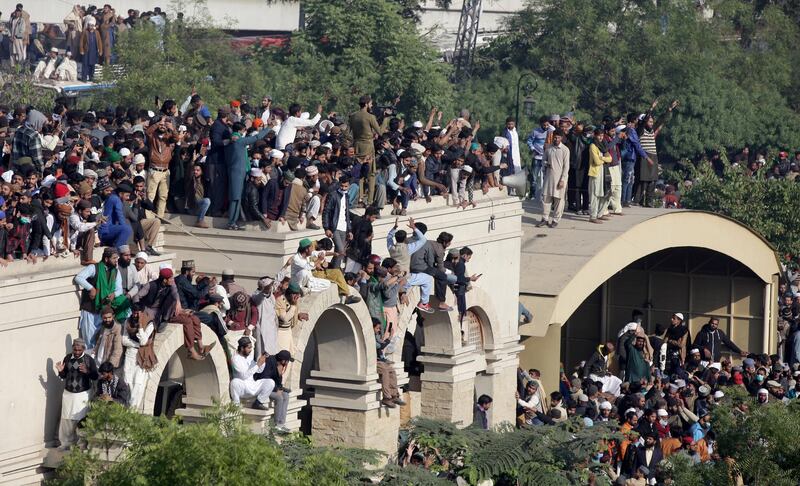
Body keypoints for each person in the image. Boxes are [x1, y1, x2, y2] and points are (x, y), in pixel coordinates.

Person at [74, 247, 127, 349]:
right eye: (114, 258)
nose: (117, 260)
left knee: (102, 341)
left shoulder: (116, 272)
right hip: (90, 310)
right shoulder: (94, 268)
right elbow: (79, 277)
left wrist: (114, 294)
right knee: (89, 340)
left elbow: (119, 289)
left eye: (117, 258)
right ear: (106, 259)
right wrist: (91, 288)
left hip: (104, 310)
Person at [224, 121, 270, 230]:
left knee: (237, 198)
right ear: (241, 131)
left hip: (237, 172)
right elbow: (258, 137)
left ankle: (233, 222)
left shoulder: (231, 141)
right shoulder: (238, 141)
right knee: (235, 198)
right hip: (237, 173)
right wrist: (269, 127)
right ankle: (231, 223)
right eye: (244, 130)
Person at [56, 338, 98, 449]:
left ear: (84, 349)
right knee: (66, 419)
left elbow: (95, 376)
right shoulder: (68, 358)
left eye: (79, 350)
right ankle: (66, 443)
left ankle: (81, 445)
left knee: (81, 419)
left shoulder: (89, 360)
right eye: (75, 350)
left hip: (82, 394)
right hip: (68, 394)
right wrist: (60, 371)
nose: (77, 352)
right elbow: (64, 375)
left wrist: (87, 372)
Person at [121, 303, 155, 411]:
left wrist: (140, 325)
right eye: (134, 312)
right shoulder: (128, 321)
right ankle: (127, 406)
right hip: (131, 353)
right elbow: (124, 340)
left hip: (143, 355)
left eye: (138, 313)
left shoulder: (149, 323)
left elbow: (144, 341)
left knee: (137, 383)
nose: (135, 315)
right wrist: (137, 345)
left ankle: (133, 410)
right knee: (127, 380)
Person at [145, 116, 180, 217]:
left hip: (165, 171)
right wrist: (158, 123)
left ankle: (160, 218)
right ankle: (149, 218)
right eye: (162, 124)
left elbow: (177, 138)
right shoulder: (152, 136)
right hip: (154, 170)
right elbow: (147, 132)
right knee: (150, 196)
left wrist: (172, 128)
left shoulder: (169, 137)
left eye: (165, 125)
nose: (163, 126)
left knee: (163, 196)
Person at [230, 335, 275, 410]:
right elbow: (243, 376)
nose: (250, 350)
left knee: (270, 382)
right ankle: (236, 405)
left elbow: (259, 370)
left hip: (253, 385)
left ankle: (258, 402)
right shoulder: (235, 359)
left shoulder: (249, 358)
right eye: (249, 348)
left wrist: (262, 362)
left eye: (251, 347)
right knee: (234, 382)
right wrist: (258, 365)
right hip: (243, 387)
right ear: (242, 348)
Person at [254, 349, 294, 433]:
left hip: (272, 387)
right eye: (287, 361)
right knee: (279, 397)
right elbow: (265, 378)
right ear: (283, 360)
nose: (287, 363)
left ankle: (281, 423)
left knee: (286, 395)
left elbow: (278, 381)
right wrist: (277, 389)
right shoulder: (270, 361)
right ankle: (276, 425)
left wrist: (279, 376)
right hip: (262, 387)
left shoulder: (279, 365)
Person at [537, 130, 570, 228]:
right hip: (549, 177)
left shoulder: (565, 150)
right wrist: (546, 165)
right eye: (555, 137)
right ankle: (545, 218)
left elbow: (566, 166)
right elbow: (543, 161)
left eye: (558, 137)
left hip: (560, 179)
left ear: (562, 138)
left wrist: (562, 180)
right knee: (546, 198)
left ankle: (555, 220)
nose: (556, 139)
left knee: (558, 200)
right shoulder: (548, 148)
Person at [374, 320, 406, 408]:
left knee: (392, 370)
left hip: (380, 360)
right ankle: (386, 397)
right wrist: (391, 336)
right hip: (374, 362)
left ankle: (394, 395)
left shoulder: (376, 336)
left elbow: (381, 343)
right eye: (377, 328)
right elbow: (380, 346)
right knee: (385, 371)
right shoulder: (370, 337)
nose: (379, 330)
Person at [322, 175, 352, 270]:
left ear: (349, 186)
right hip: (334, 227)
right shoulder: (333, 195)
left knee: (339, 252)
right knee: (341, 250)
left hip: (344, 227)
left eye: (345, 186)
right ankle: (335, 271)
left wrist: (349, 230)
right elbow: (326, 212)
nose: (343, 188)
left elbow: (347, 214)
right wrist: (326, 228)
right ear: (339, 185)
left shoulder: (347, 196)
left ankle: (333, 269)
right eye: (342, 186)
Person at [587, 127, 612, 224]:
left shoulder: (603, 145)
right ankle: (593, 216)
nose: (601, 138)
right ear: (595, 135)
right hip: (595, 173)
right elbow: (596, 162)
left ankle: (600, 214)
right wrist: (603, 158)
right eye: (599, 136)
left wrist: (602, 157)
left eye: (602, 136)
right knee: (595, 195)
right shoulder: (593, 146)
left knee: (605, 194)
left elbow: (610, 159)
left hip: (604, 173)